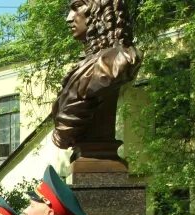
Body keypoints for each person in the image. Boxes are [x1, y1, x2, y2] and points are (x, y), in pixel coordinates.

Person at [52, 0, 141, 150]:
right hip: (84, 151)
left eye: (77, 7)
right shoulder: (90, 64)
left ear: (99, 10)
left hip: (100, 154)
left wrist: (63, 131)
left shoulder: (116, 61)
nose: (69, 18)